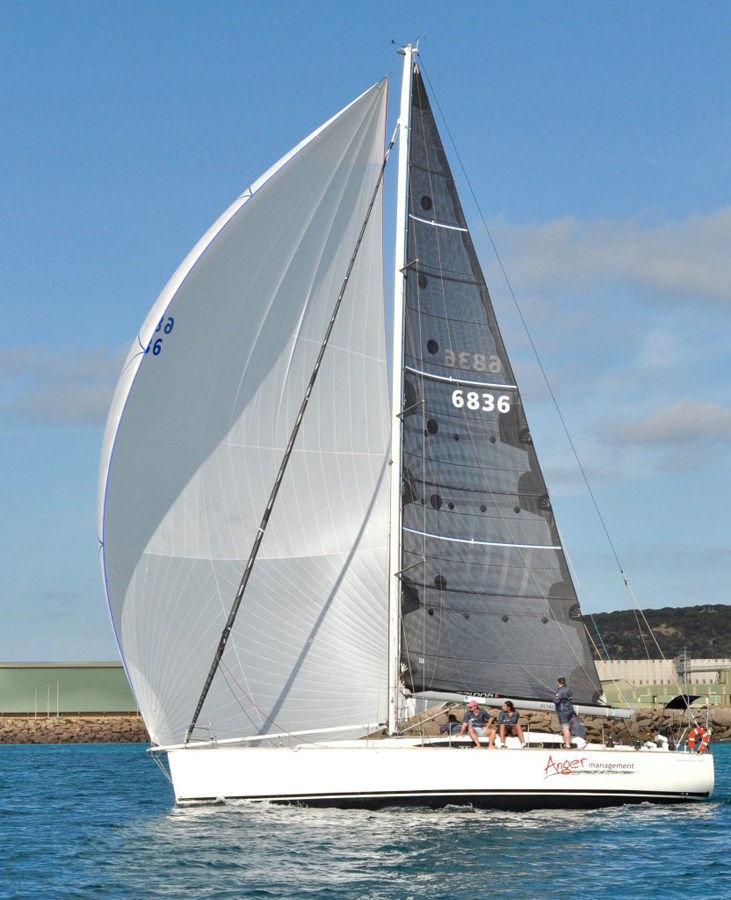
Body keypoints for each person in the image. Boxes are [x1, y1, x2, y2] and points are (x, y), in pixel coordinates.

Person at [553, 677, 575, 749]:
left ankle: (567, 745)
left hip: (563, 711)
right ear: (565, 682)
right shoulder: (569, 690)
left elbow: (556, 701)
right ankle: (569, 741)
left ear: (558, 683)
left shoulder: (560, 691)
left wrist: (553, 698)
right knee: (568, 727)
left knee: (565, 727)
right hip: (570, 710)